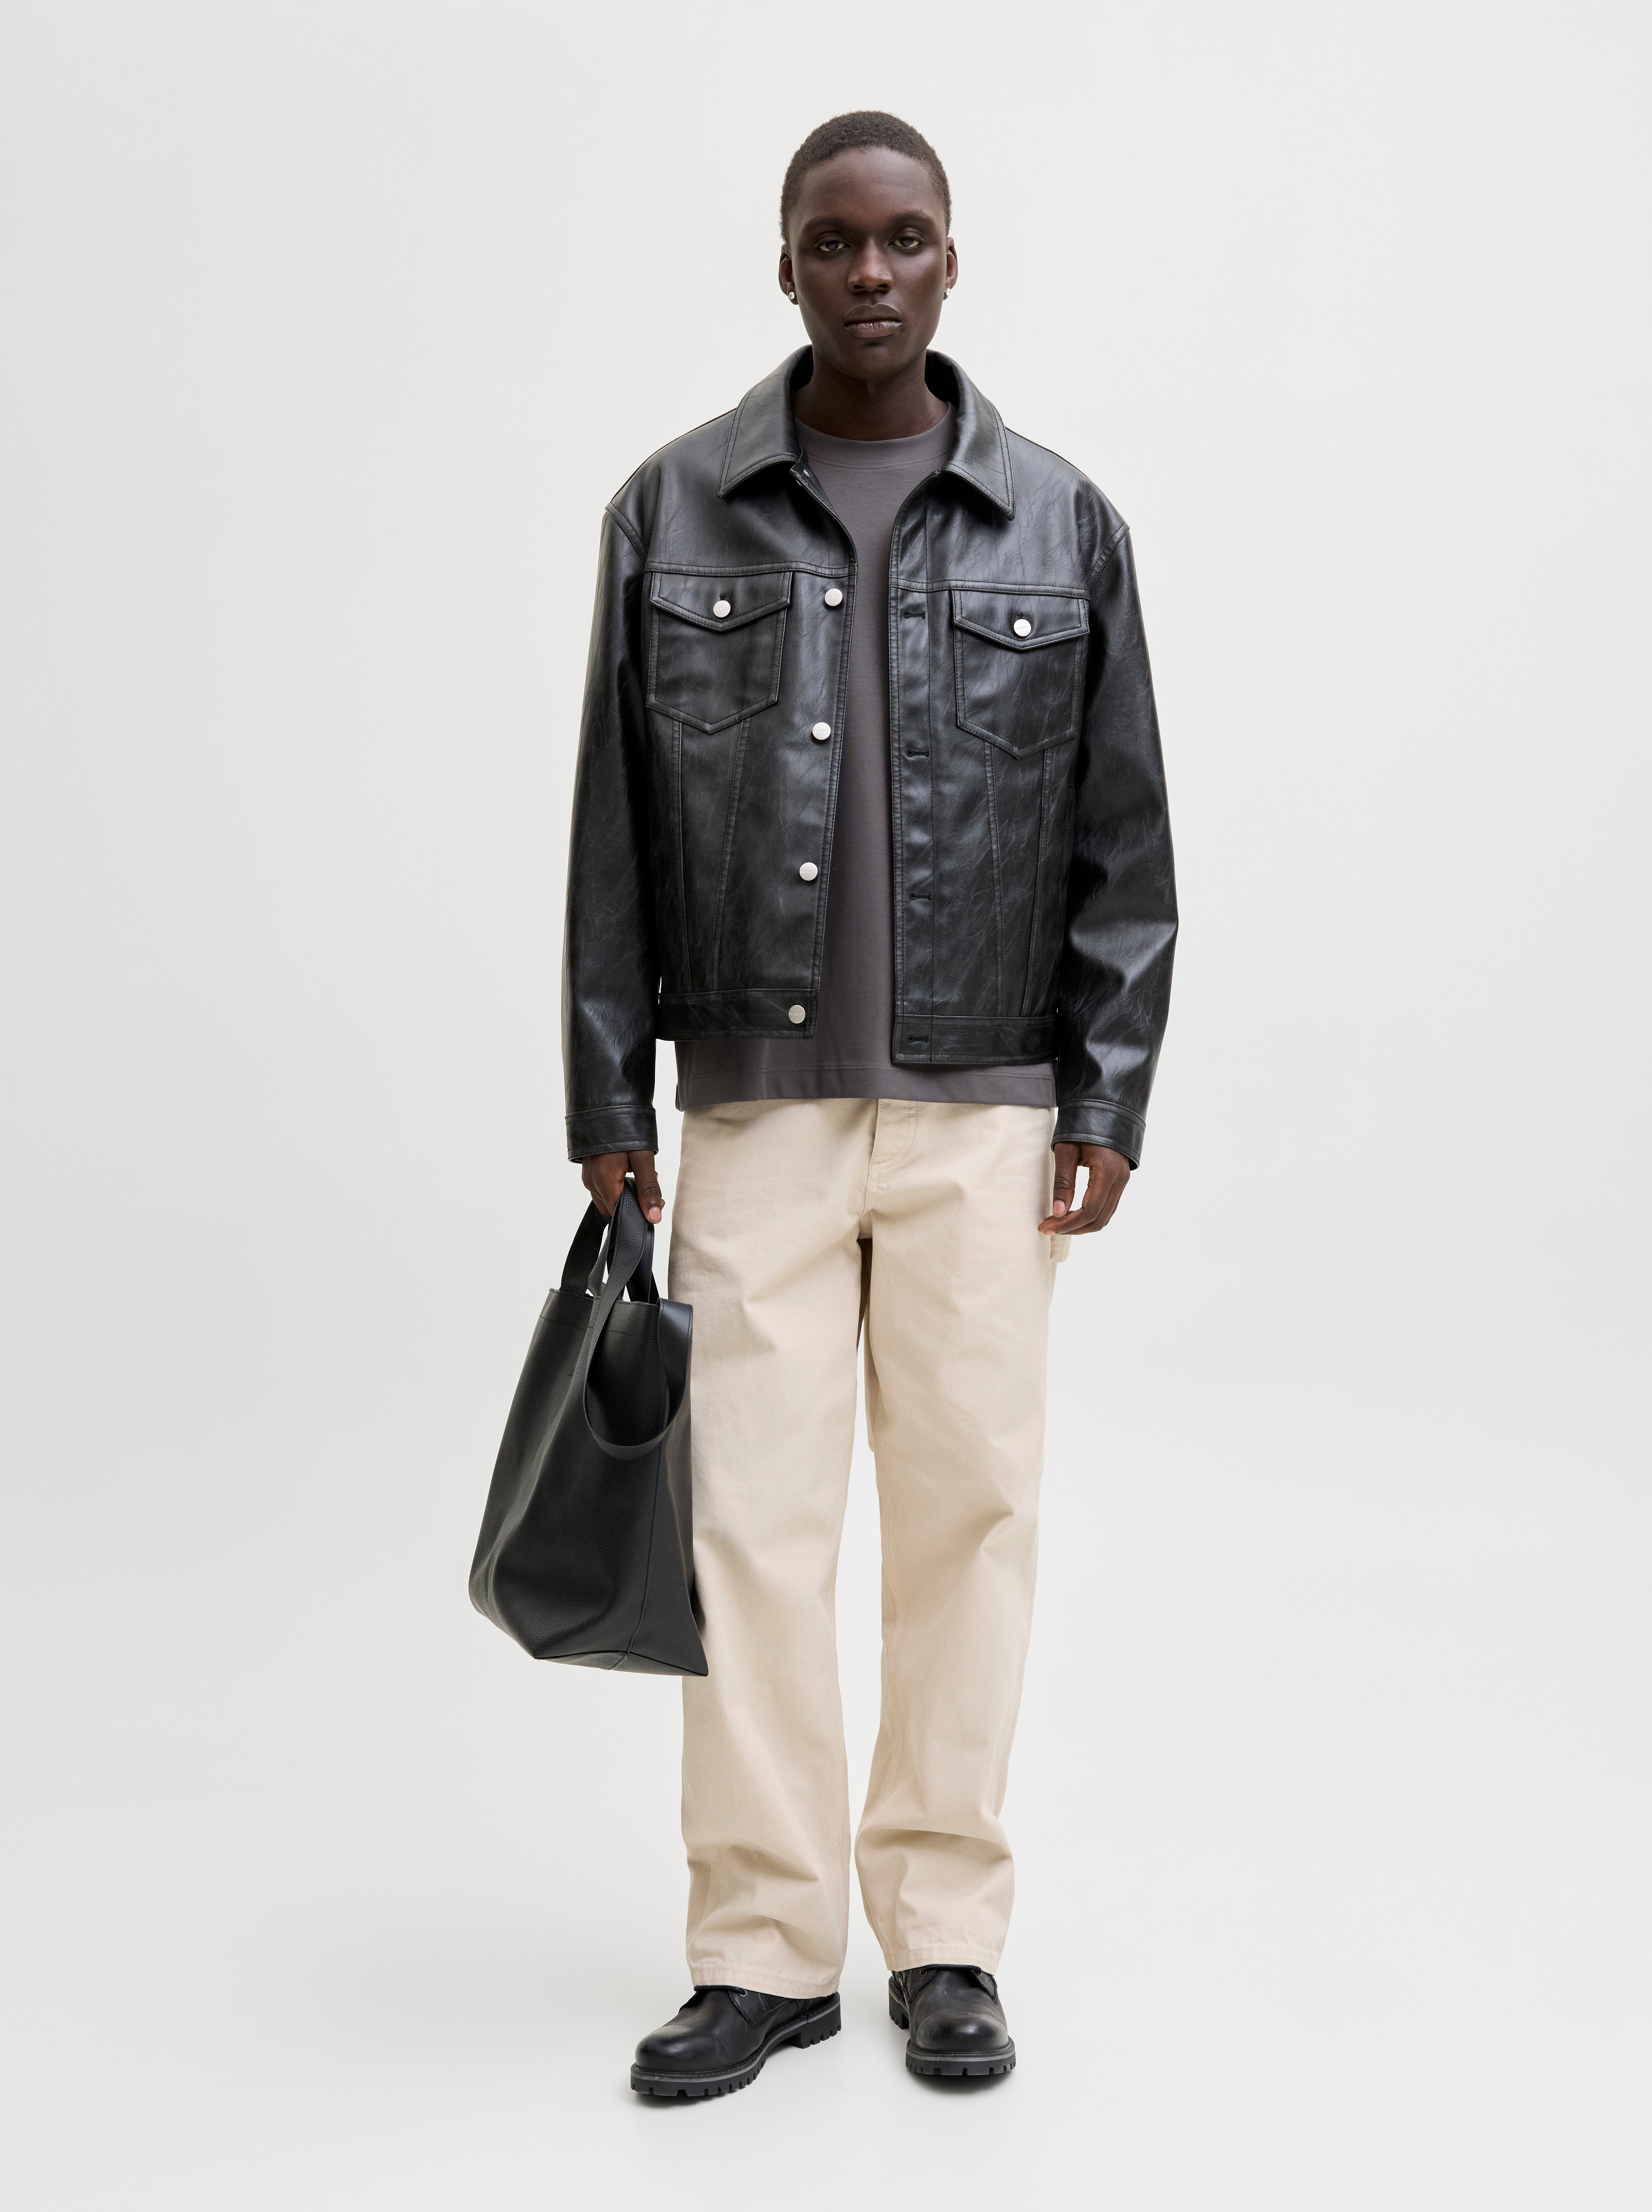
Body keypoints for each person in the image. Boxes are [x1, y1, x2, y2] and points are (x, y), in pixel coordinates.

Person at [562, 110, 1176, 2097]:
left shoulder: (1060, 522)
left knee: (967, 1524)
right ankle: (760, 1949)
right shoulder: (672, 507)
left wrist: (1107, 1089)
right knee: (747, 1532)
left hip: (987, 1115)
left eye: (904, 239)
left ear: (951, 260)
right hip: (754, 1110)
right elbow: (611, 829)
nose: (870, 273)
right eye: (834, 242)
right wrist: (606, 1094)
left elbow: (1124, 838)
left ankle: (946, 1936)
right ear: (785, 265)